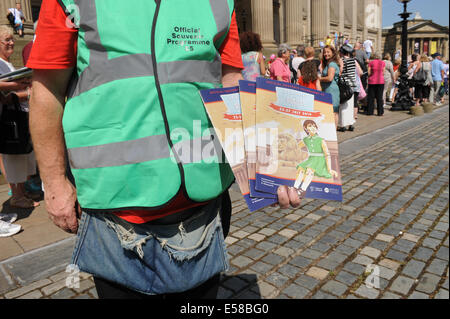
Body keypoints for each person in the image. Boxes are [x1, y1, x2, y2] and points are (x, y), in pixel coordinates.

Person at [27, 0, 302, 299]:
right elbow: (47, 90)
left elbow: (230, 80)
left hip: (204, 204)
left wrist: (265, 164)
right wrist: (54, 183)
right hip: (116, 210)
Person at [0, 26, 39, 210]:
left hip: (18, 113)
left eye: (12, 39)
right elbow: (5, 93)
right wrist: (22, 86)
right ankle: (17, 195)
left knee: (21, 156)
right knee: (13, 157)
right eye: (6, 40)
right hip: (9, 116)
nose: (11, 42)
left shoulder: (7, 62)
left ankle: (21, 192)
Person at [293, 120, 338, 199]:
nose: (313, 128)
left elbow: (327, 154)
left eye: (314, 126)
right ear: (305, 128)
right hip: (311, 159)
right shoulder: (306, 139)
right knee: (301, 168)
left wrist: (329, 169)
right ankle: (295, 187)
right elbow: (296, 147)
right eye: (310, 126)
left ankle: (303, 189)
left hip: (320, 160)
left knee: (309, 170)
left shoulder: (321, 140)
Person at [337, 44, 358, 132]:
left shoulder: (342, 60)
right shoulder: (354, 60)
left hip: (344, 85)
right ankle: (351, 124)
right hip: (352, 85)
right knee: (350, 105)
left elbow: (340, 71)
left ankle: (342, 125)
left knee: (343, 105)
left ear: (342, 52)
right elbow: (359, 72)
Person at [319, 45, 340, 127]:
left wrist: (319, 78)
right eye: (324, 52)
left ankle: (333, 132)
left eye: (328, 52)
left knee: (333, 112)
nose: (326, 54)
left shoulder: (331, 64)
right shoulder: (330, 63)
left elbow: (330, 78)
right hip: (329, 89)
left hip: (331, 90)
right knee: (333, 112)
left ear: (333, 53)